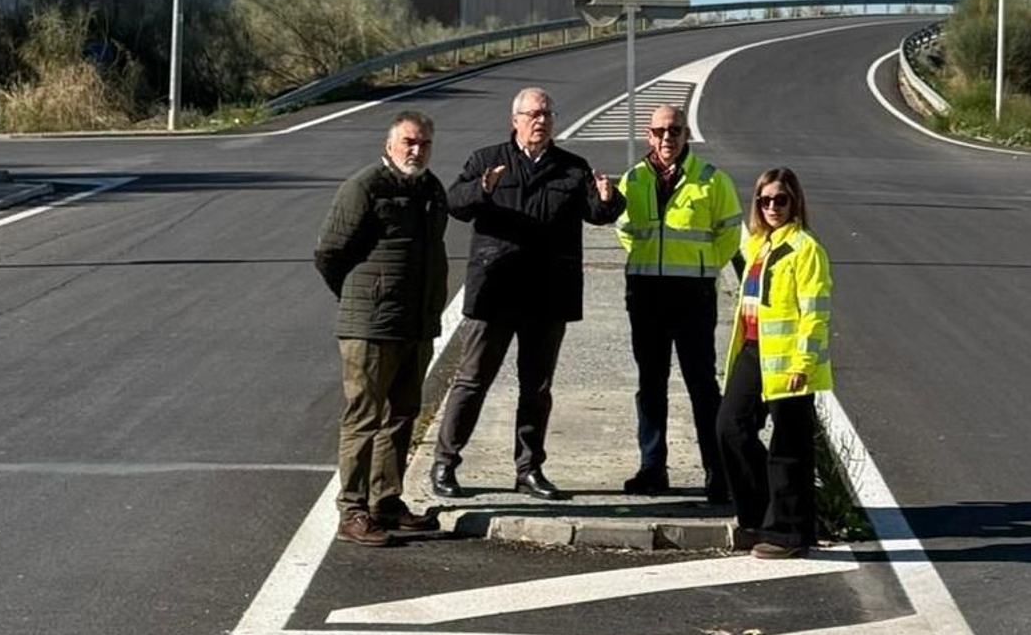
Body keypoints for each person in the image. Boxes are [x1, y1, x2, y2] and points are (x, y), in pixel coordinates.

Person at [431, 87, 625, 501]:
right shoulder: (487, 160)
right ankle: (445, 463)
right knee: (472, 380)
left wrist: (611, 200)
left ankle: (529, 469)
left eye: (547, 114)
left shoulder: (572, 167)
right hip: (496, 292)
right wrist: (482, 189)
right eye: (533, 114)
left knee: (536, 388)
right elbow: (455, 204)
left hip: (548, 295)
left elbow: (599, 212)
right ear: (515, 120)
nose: (541, 121)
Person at [314, 111, 450, 547]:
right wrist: (362, 297)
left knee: (402, 414)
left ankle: (386, 502)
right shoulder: (365, 187)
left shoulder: (430, 190)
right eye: (409, 142)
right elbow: (329, 252)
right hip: (370, 325)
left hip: (416, 323)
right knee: (364, 417)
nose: (417, 150)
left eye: (424, 143)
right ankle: (352, 509)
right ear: (390, 145)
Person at [615, 104, 742, 500]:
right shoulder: (633, 179)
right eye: (659, 131)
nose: (667, 138)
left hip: (693, 295)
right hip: (647, 294)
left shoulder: (711, 179)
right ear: (648, 135)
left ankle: (717, 472)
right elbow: (625, 231)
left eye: (675, 131)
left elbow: (730, 235)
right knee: (650, 385)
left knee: (702, 385)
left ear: (686, 134)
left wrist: (704, 267)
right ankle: (652, 468)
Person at [716, 168, 834, 559]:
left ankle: (789, 531)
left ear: (795, 202)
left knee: (789, 448)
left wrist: (803, 360)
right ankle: (757, 516)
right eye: (765, 200)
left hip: (790, 362)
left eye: (780, 200)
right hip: (752, 352)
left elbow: (815, 313)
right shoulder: (756, 246)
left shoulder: (805, 249)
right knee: (730, 429)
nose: (772, 207)